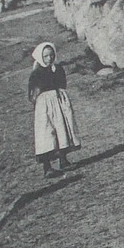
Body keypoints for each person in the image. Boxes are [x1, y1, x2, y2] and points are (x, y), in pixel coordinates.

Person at [29, 42, 81, 177]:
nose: (49, 58)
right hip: (44, 106)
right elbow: (32, 93)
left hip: (59, 101)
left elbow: (62, 83)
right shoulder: (36, 73)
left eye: (51, 55)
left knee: (62, 128)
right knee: (46, 133)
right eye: (45, 56)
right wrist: (41, 101)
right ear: (40, 57)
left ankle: (63, 160)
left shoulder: (57, 69)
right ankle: (47, 167)